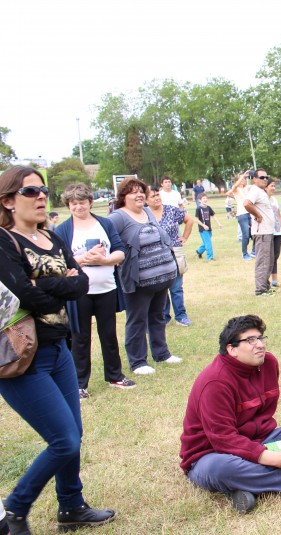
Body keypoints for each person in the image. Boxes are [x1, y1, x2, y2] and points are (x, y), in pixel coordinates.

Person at [0, 166, 116, 534]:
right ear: (7, 200)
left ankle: (71, 506)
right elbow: (24, 295)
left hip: (58, 349)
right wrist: (59, 283)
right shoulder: (4, 241)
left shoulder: (52, 236)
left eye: (43, 190)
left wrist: (50, 283)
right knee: (63, 440)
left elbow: (80, 283)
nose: (40, 197)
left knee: (73, 435)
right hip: (21, 358)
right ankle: (14, 512)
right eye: (30, 191)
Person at [180, 315, 281, 514]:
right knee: (221, 469)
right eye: (250, 340)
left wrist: (265, 451)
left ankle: (247, 486)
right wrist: (268, 457)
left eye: (260, 338)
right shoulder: (215, 382)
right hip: (211, 455)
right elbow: (222, 439)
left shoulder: (269, 364)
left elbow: (265, 416)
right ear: (232, 349)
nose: (259, 345)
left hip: (258, 441)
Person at [55, 183, 134, 399]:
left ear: (90, 202)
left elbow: (120, 251)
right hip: (78, 292)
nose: (78, 206)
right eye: (73, 203)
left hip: (106, 288)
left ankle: (115, 375)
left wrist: (105, 259)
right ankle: (79, 384)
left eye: (82, 202)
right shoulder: (62, 229)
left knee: (108, 334)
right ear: (68, 205)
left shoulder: (105, 224)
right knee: (80, 337)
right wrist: (82, 259)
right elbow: (59, 261)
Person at [108, 178, 181, 375]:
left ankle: (161, 353)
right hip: (137, 282)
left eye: (141, 191)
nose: (139, 195)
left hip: (160, 279)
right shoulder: (118, 217)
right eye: (133, 192)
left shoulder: (147, 212)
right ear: (123, 197)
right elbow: (108, 241)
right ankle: (138, 362)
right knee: (137, 320)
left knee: (157, 317)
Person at [147, 186, 195, 325]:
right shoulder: (144, 214)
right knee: (160, 289)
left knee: (176, 287)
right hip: (155, 255)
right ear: (146, 200)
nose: (156, 198)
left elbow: (189, 220)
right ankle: (164, 316)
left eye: (157, 195)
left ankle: (181, 316)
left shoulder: (171, 210)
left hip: (174, 252)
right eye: (153, 196)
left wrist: (184, 237)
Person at [243, 169, 275, 296]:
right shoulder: (255, 191)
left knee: (269, 260)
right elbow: (246, 204)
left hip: (268, 231)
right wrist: (257, 215)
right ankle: (260, 289)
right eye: (262, 177)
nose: (265, 179)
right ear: (254, 179)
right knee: (262, 261)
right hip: (261, 232)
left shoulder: (261, 192)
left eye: (266, 177)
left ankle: (265, 286)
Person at [227, 171, 255, 260]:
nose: (243, 180)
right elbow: (234, 187)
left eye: (245, 178)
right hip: (242, 214)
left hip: (250, 213)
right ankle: (245, 253)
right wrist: (242, 175)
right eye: (241, 179)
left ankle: (254, 251)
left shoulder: (247, 188)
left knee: (255, 234)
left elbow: (256, 185)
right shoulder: (236, 190)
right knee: (246, 234)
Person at [265, 180, 281, 287]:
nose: (273, 188)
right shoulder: (263, 199)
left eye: (274, 186)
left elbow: (278, 215)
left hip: (277, 231)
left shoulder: (274, 199)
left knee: (275, 256)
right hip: (267, 231)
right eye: (271, 186)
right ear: (266, 187)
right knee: (269, 257)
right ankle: (265, 280)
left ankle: (274, 280)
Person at [194, 193, 222, 261]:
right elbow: (196, 219)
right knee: (208, 243)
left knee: (206, 242)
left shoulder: (208, 208)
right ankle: (210, 257)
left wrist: (219, 223)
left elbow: (213, 215)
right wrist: (203, 225)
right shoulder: (198, 208)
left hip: (209, 228)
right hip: (203, 229)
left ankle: (199, 251)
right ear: (199, 200)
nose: (205, 200)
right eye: (203, 198)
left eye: (206, 198)